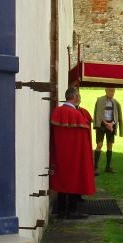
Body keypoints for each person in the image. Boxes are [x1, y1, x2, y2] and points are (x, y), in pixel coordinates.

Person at [50, 87, 95, 219]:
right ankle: (73, 210)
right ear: (75, 97)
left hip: (59, 154)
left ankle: (61, 211)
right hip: (75, 155)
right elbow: (83, 141)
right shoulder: (77, 115)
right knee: (74, 179)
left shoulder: (57, 112)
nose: (79, 98)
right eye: (78, 96)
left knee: (61, 179)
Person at [92, 87, 123, 175]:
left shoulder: (115, 102)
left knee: (110, 145)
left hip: (111, 125)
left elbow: (117, 116)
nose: (112, 93)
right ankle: (95, 168)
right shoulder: (100, 100)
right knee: (99, 144)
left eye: (113, 91)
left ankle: (108, 167)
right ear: (106, 91)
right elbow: (98, 114)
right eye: (110, 91)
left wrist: (112, 124)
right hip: (101, 125)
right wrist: (106, 124)